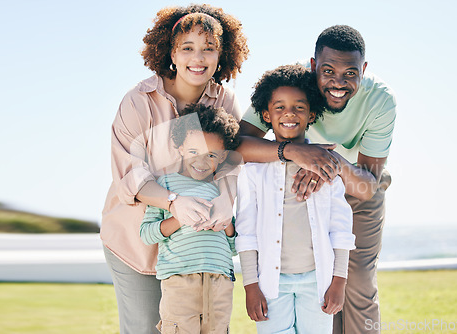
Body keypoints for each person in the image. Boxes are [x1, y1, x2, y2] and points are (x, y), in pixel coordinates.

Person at [100, 4, 249, 334]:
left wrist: (225, 201)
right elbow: (130, 174)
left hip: (194, 249)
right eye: (188, 48)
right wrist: (172, 202)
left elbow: (232, 165)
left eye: (209, 48)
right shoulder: (138, 102)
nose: (198, 58)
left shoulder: (226, 102)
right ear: (171, 52)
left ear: (222, 54)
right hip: (135, 243)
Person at [238, 25, 396, 334]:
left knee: (358, 282)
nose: (338, 83)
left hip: (357, 181)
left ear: (363, 70)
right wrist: (295, 152)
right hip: (295, 180)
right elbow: (241, 144)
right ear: (313, 66)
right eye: (327, 71)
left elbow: (366, 188)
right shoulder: (291, 88)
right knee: (321, 294)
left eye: (350, 73)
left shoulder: (380, 100)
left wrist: (326, 162)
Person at [235, 64, 356, 333]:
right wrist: (251, 286)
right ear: (266, 114)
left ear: (312, 113)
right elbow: (246, 232)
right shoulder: (253, 171)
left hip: (318, 282)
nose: (289, 113)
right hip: (270, 285)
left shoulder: (325, 166)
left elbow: (340, 227)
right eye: (279, 107)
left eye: (299, 107)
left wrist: (339, 280)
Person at [140, 104, 240, 333]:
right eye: (194, 152)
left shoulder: (220, 191)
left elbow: (233, 247)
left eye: (211, 155)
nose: (201, 162)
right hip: (180, 281)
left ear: (223, 156)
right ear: (182, 148)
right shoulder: (165, 185)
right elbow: (146, 234)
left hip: (220, 282)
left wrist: (226, 225)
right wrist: (178, 217)